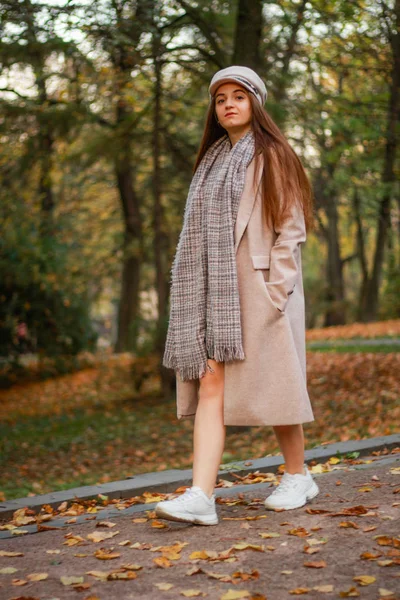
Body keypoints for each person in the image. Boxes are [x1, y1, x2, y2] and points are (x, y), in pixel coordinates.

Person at [156, 66, 319, 526]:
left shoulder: (272, 155)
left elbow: (291, 228)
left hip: (259, 289)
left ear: (256, 104)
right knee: (211, 383)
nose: (228, 104)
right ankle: (201, 495)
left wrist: (276, 290)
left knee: (275, 383)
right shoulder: (209, 163)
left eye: (239, 96)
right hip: (213, 294)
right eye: (220, 97)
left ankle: (297, 474)